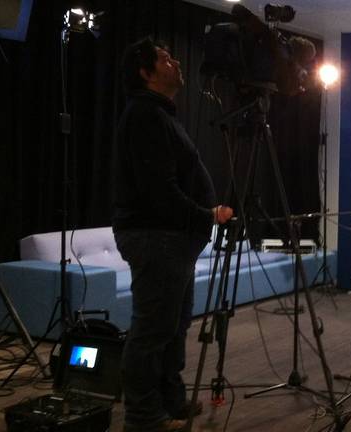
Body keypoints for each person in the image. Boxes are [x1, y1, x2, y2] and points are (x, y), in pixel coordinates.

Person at [113, 37, 233, 432]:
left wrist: (201, 217)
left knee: (173, 326)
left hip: (173, 240)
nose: (176, 62)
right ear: (146, 73)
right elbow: (159, 190)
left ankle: (170, 400)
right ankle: (144, 417)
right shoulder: (144, 115)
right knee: (152, 331)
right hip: (156, 237)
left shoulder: (159, 113)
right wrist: (205, 214)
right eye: (165, 59)